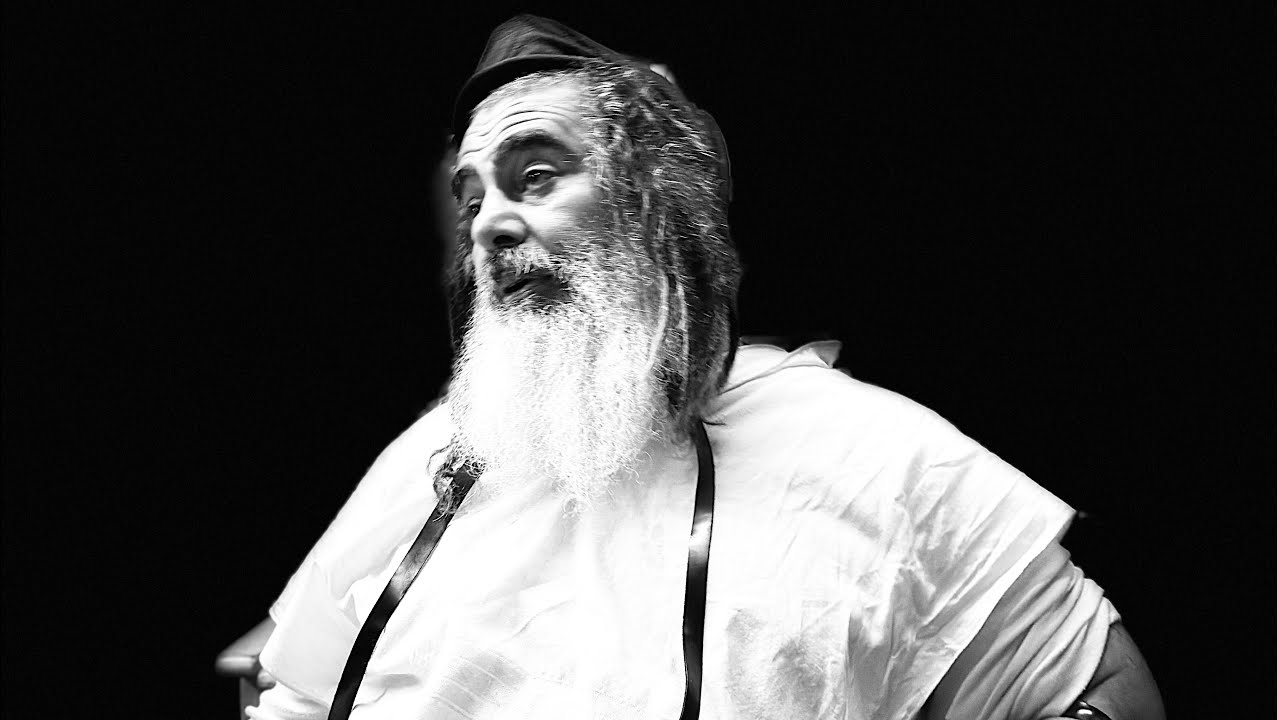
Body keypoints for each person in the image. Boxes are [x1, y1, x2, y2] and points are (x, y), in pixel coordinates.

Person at [248, 15, 1164, 720]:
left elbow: (1103, 695)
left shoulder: (875, 456)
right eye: (472, 196)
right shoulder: (433, 462)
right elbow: (293, 693)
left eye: (537, 175)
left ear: (659, 201)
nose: (488, 223)